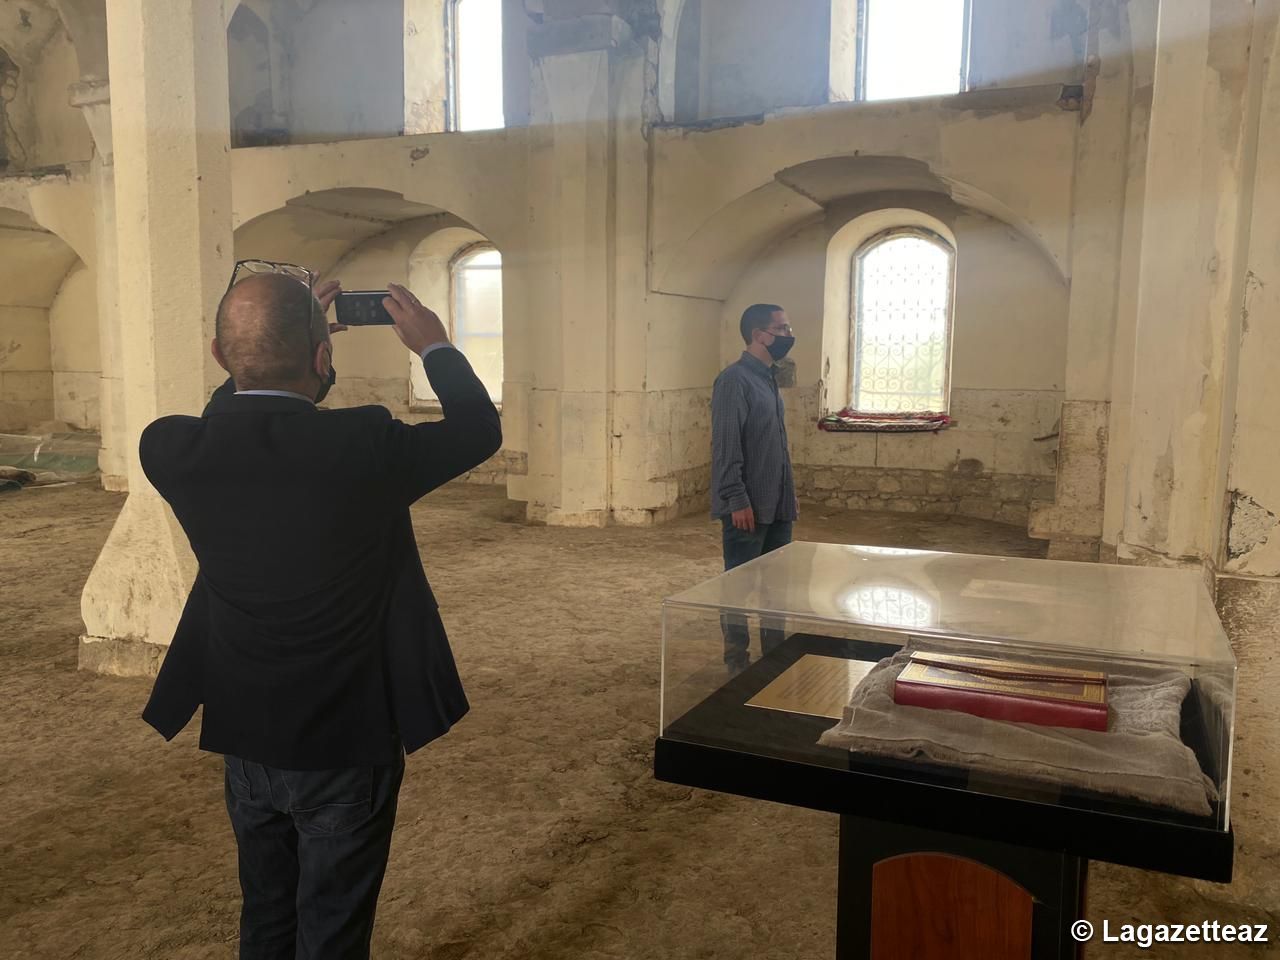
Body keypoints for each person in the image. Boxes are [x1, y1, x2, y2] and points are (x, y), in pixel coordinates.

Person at [138, 262, 502, 960]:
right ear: (322, 357)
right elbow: (478, 429)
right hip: (345, 735)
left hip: (244, 728)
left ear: (219, 356)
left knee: (266, 915)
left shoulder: (170, 448)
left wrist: (276, 352)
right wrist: (433, 345)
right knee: (332, 927)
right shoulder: (365, 445)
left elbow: (233, 417)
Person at [710, 303, 798, 674]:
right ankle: (737, 663)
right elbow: (726, 446)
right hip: (747, 505)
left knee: (776, 587)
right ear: (759, 335)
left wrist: (787, 500)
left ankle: (774, 661)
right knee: (739, 587)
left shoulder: (768, 378)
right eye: (782, 328)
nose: (789, 335)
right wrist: (736, 499)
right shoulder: (734, 381)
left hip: (777, 504)